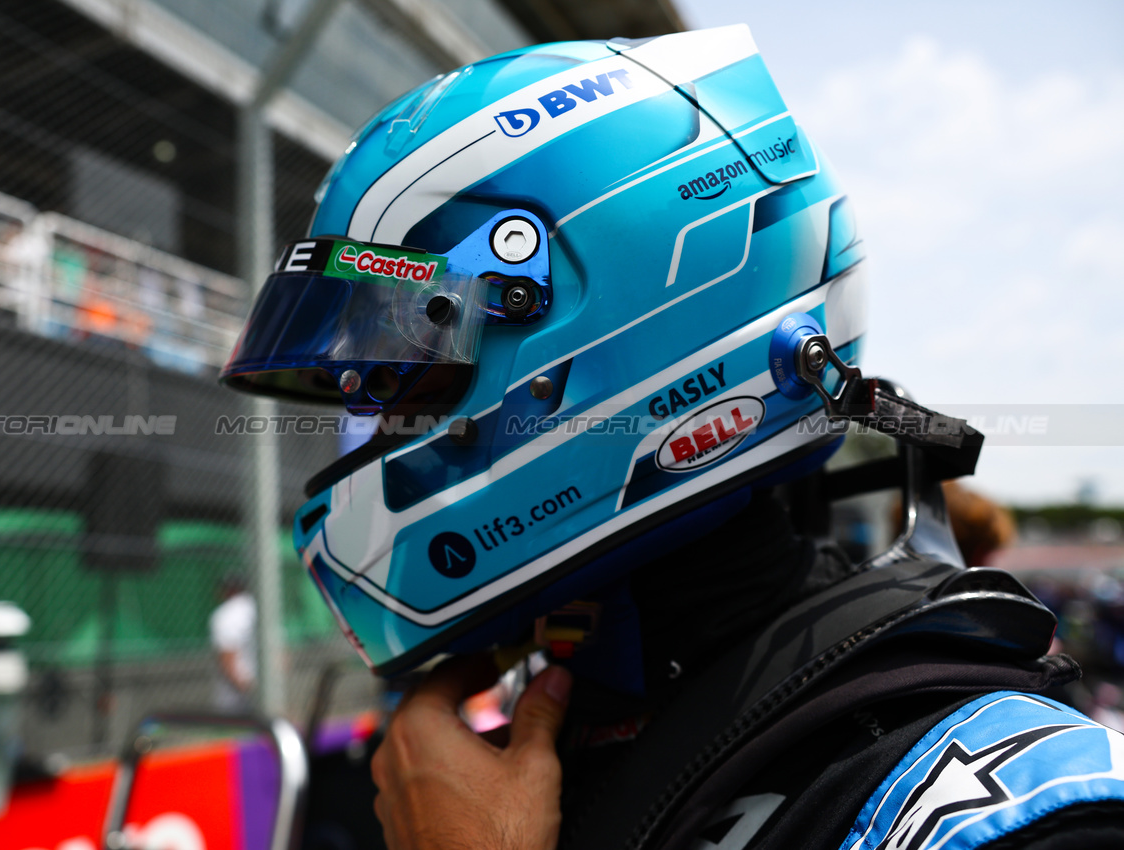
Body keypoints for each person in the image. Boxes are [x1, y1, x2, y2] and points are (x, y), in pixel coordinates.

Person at [220, 25, 1124, 850]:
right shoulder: (533, 753)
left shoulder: (1010, 808)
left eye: (403, 379)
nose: (373, 427)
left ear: (580, 327)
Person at [208, 573, 256, 713]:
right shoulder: (262, 609)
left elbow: (227, 659)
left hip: (236, 696)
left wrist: (245, 689)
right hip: (265, 689)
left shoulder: (224, 614)